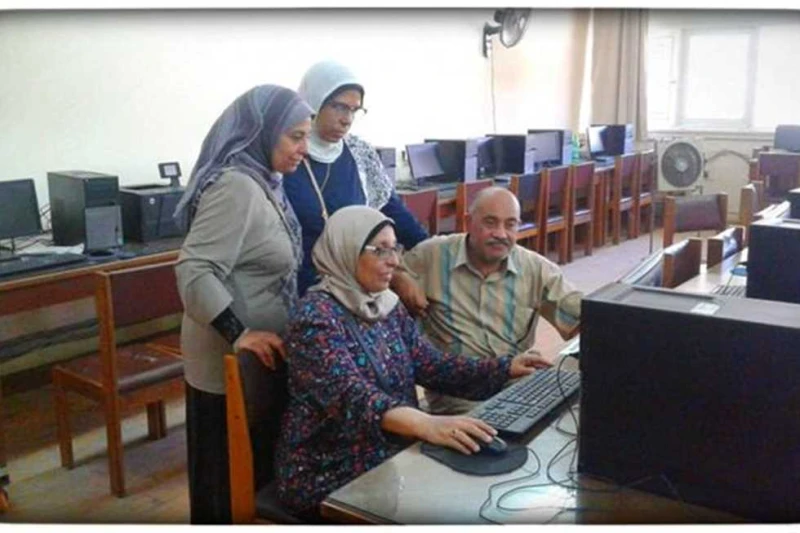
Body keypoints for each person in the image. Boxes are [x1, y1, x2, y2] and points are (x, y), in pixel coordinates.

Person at [273, 205, 552, 521]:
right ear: (346, 251)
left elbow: (431, 365)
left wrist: (504, 367)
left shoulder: (385, 305)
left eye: (395, 248)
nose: (394, 261)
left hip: (390, 451)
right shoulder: (314, 318)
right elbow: (351, 396)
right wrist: (426, 424)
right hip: (330, 466)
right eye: (380, 250)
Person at [172, 85, 312, 524]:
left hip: (255, 361)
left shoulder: (265, 181)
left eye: (306, 137)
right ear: (261, 131)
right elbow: (194, 270)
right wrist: (240, 332)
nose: (304, 149)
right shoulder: (236, 186)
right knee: (224, 481)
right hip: (227, 362)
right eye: (295, 136)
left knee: (249, 475)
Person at [393, 186, 583, 415]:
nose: (501, 234)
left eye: (510, 224)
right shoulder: (431, 256)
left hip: (518, 384)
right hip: (459, 396)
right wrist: (399, 278)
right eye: (490, 223)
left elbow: (584, 317)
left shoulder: (535, 268)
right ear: (468, 222)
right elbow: (384, 268)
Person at [283, 60, 428, 296]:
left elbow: (391, 209)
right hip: (296, 287)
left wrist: (432, 251)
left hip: (353, 289)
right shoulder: (287, 153)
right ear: (313, 102)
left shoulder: (358, 152)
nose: (347, 119)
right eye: (339, 107)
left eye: (354, 110)